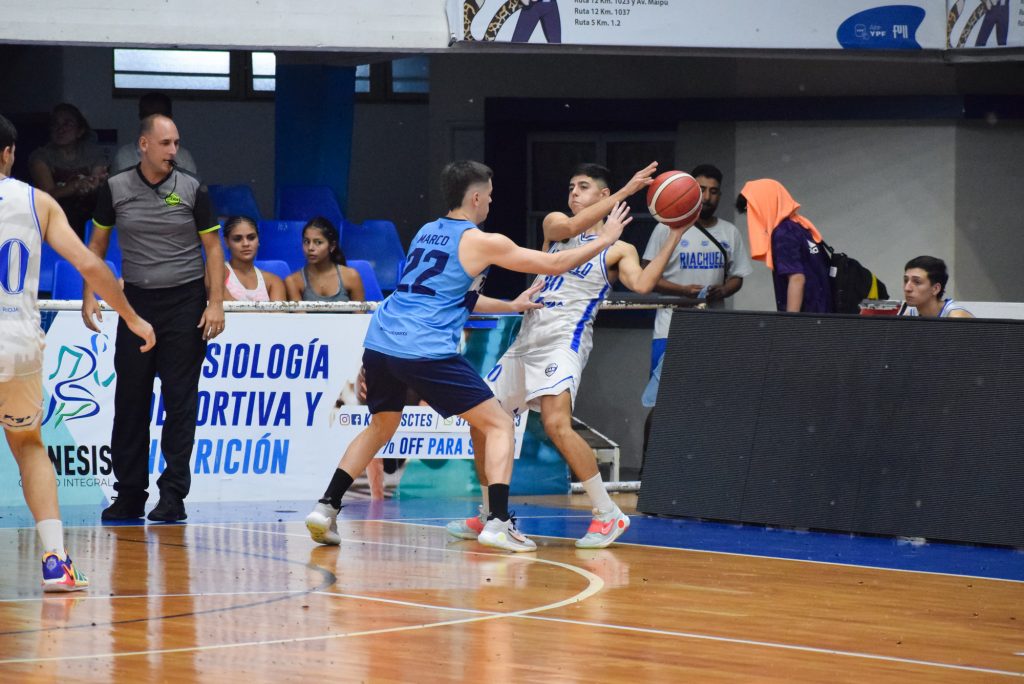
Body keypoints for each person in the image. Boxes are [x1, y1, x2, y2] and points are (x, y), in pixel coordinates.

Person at [304, 160, 630, 552]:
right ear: (475, 197)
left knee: (380, 427)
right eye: (489, 195)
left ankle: (326, 507)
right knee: (499, 424)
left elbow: (445, 296)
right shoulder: (482, 240)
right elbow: (556, 263)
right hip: (425, 347)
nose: (491, 202)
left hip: (382, 341)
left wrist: (512, 305)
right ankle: (498, 522)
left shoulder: (427, 231)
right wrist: (606, 237)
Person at [447, 162, 679, 549]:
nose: (573, 192)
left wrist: (676, 233)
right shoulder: (555, 224)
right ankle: (491, 514)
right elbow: (569, 227)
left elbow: (642, 284)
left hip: (564, 341)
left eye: (583, 186)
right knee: (481, 423)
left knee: (557, 425)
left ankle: (607, 513)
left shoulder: (619, 249)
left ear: (602, 195)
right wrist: (627, 192)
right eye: (571, 186)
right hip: (526, 340)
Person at [0, 114, 155, 591]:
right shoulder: (37, 201)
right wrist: (131, 317)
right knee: (28, 446)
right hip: (18, 344)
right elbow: (90, 263)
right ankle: (55, 561)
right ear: (9, 153)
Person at [83, 113, 225, 523]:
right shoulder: (115, 188)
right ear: (143, 145)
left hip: (185, 303)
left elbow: (213, 249)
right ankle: (129, 494)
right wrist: (89, 295)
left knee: (180, 402)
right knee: (130, 401)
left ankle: (173, 496)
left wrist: (215, 303)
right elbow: (97, 245)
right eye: (166, 143)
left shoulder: (193, 188)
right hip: (136, 303)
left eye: (176, 143)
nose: (173, 151)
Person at [642, 163, 753, 373]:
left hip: (713, 327)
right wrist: (683, 291)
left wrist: (723, 290)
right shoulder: (666, 227)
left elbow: (738, 276)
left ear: (720, 195)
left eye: (713, 191)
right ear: (691, 191)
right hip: (670, 328)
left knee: (707, 386)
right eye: (701, 190)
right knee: (663, 387)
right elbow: (645, 276)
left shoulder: (729, 232)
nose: (707, 197)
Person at [737, 178, 832, 314]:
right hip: (823, 314)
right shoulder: (799, 226)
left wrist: (790, 322)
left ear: (764, 204)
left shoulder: (783, 233)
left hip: (808, 319)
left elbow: (797, 278)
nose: (750, 218)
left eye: (751, 210)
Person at [28, 103, 108, 239]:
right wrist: (75, 186)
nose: (60, 129)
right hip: (55, 218)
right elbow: (48, 195)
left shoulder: (93, 153)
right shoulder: (40, 156)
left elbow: (97, 178)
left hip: (90, 215)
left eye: (67, 124)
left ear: (80, 131)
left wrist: (93, 184)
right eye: (55, 124)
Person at [112, 92, 198, 174]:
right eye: (150, 116)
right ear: (141, 117)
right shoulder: (124, 157)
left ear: (170, 118)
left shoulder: (183, 159)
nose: (155, 122)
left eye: (161, 116)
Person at [284, 216, 365, 303]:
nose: (310, 248)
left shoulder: (351, 276)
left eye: (318, 242)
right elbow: (298, 312)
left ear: (332, 246)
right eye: (306, 242)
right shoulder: (293, 281)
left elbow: (359, 311)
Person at [220, 216, 286, 302]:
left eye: (251, 238)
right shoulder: (217, 273)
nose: (246, 244)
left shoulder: (273, 281)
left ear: (258, 240)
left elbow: (278, 311)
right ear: (226, 242)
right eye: (237, 239)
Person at [898, 256, 973, 318]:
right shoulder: (909, 315)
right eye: (906, 280)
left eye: (917, 282)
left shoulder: (956, 317)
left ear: (936, 289)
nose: (907, 288)